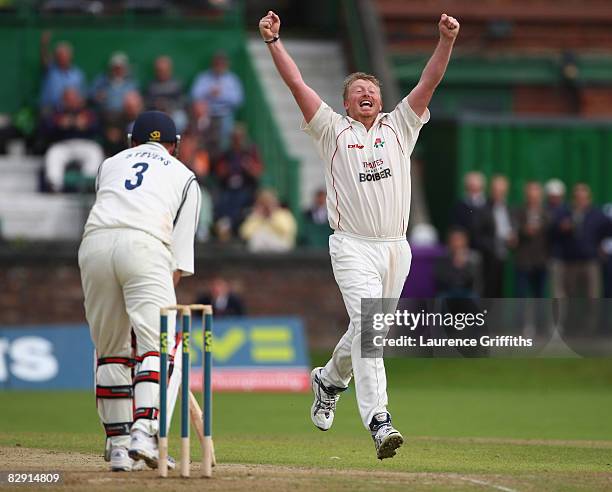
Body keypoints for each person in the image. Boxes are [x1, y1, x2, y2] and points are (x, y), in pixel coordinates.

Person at [258, 9, 459, 459]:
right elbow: (297, 86)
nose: (366, 94)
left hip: (396, 249)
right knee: (370, 330)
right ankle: (379, 421)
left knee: (369, 331)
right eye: (357, 91)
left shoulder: (399, 126)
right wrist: (274, 42)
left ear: (382, 100)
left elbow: (429, 82)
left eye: (372, 90)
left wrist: (445, 41)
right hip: (351, 245)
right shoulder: (331, 130)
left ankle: (329, 380)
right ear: (346, 103)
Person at [78, 111, 201, 472]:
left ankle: (117, 447)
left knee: (111, 351)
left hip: (94, 245)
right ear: (175, 147)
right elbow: (177, 263)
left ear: (132, 141)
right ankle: (144, 433)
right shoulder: (185, 177)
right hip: (146, 247)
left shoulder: (108, 165)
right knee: (160, 344)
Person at [41, 87, 103, 192]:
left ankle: (86, 185)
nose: (71, 102)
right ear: (63, 100)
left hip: (84, 143)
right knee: (53, 153)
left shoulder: (87, 112)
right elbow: (45, 130)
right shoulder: (57, 112)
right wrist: (59, 125)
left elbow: (98, 128)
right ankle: (54, 186)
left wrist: (87, 125)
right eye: (68, 99)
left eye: (74, 99)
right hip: (63, 144)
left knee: (95, 152)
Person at [190, 51, 244, 151]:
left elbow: (238, 100)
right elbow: (194, 95)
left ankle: (221, 159)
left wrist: (221, 95)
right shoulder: (204, 77)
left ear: (226, 65)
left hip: (225, 114)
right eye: (217, 64)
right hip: (206, 114)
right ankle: (203, 158)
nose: (219, 66)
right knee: (199, 133)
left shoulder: (232, 79)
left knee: (225, 135)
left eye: (222, 64)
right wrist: (209, 92)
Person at [513, 182, 549, 297]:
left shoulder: (547, 213)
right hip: (523, 261)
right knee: (520, 296)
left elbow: (551, 231)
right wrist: (523, 231)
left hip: (541, 261)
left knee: (539, 296)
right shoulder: (518, 211)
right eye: (531, 195)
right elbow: (512, 231)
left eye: (536, 195)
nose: (533, 198)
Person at [39, 33, 85, 114]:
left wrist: (77, 102)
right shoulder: (50, 70)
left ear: (70, 56)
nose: (62, 58)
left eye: (64, 55)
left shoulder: (78, 74)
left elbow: (82, 96)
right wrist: (44, 44)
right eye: (59, 55)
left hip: (71, 109)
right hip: (50, 108)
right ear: (55, 57)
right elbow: (44, 59)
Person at [486, 175, 515, 297]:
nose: (499, 193)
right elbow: (478, 233)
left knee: (502, 291)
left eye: (502, 191)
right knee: (489, 291)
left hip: (505, 254)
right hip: (489, 256)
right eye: (496, 190)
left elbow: (512, 226)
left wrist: (513, 237)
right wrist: (493, 243)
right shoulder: (484, 208)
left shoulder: (508, 207)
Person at [434, 227, 482, 298]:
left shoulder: (474, 258)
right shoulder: (443, 257)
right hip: (448, 292)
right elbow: (441, 279)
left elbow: (475, 281)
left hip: (467, 292)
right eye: (454, 240)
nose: (457, 243)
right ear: (449, 242)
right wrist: (455, 265)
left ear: (466, 241)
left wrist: (464, 265)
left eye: (460, 240)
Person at [145, 56, 187, 132]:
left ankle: (176, 142)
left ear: (169, 70)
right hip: (155, 113)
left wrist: (168, 106)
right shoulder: (151, 85)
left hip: (173, 113)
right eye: (159, 70)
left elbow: (182, 102)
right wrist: (156, 105)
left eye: (164, 70)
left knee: (180, 119)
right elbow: (146, 102)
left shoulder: (176, 84)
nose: (162, 73)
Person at [91, 52, 139, 117]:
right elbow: (90, 95)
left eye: (120, 68)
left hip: (125, 116)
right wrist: (97, 96)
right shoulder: (101, 81)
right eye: (115, 68)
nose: (118, 71)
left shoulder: (131, 84)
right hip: (104, 115)